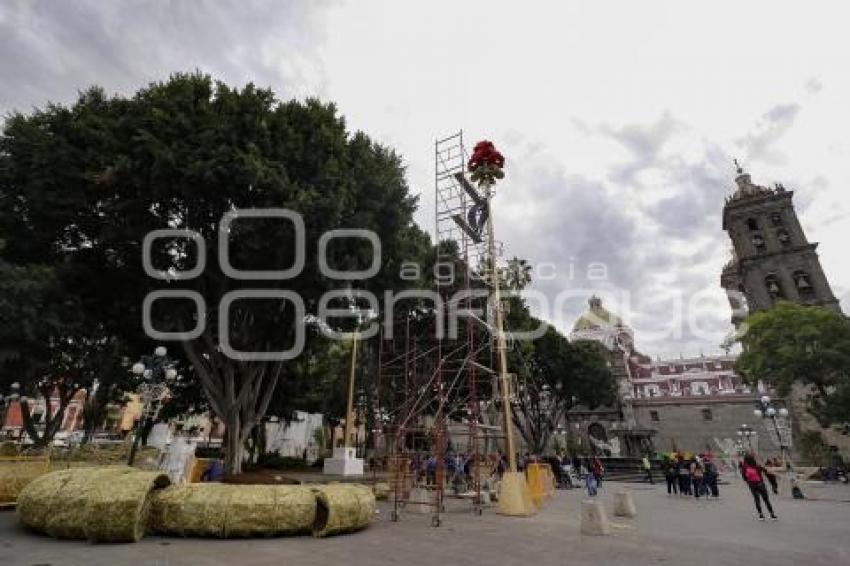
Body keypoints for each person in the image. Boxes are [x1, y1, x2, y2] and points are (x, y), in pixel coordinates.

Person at [741, 454, 778, 521]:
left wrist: (749, 481)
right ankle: (772, 515)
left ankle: (761, 515)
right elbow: (766, 471)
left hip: (752, 484)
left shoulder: (744, 467)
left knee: (757, 499)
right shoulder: (757, 465)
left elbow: (744, 477)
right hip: (760, 483)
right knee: (766, 500)